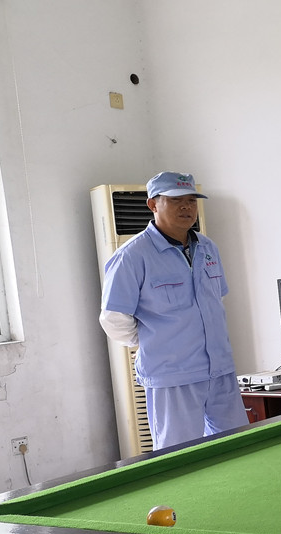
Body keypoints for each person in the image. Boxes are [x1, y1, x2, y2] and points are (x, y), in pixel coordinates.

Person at [99, 172, 248, 450]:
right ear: (152, 204)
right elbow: (113, 318)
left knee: (239, 449)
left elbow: (215, 301)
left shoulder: (208, 248)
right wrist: (154, 341)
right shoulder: (132, 256)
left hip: (220, 371)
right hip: (172, 378)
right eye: (176, 200)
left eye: (191, 200)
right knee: (179, 456)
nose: (186, 207)